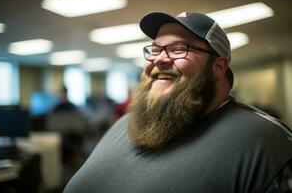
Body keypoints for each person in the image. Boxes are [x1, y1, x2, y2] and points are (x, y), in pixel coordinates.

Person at [63, 11, 292, 193]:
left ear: (218, 68)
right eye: (154, 50)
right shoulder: (128, 122)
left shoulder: (268, 143)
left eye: (178, 49)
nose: (160, 58)